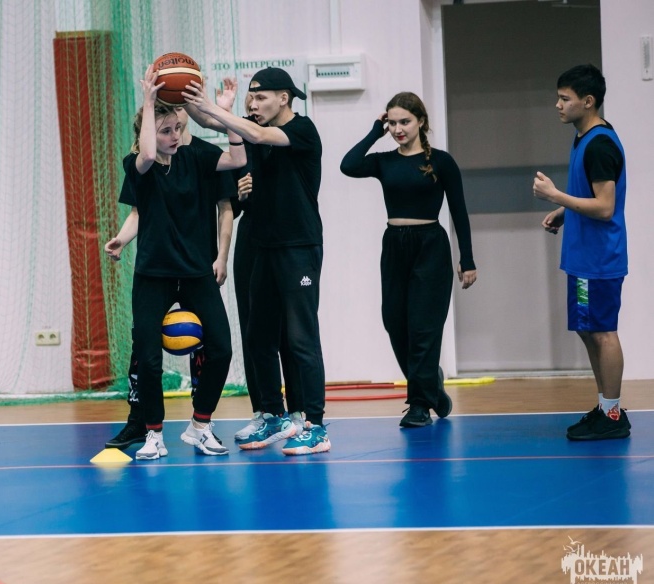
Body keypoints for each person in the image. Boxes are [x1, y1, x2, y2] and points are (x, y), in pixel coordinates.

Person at [183, 67, 329, 455]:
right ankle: (272, 415)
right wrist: (188, 98)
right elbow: (210, 122)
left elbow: (259, 135)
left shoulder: (301, 129)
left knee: (301, 337)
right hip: (262, 247)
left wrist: (213, 107)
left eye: (261, 97)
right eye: (251, 97)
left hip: (298, 246)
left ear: (284, 98)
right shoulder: (252, 129)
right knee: (258, 336)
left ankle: (315, 424)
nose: (254, 103)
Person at [103, 65, 246, 460]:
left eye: (178, 129)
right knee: (148, 358)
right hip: (154, 274)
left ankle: (200, 426)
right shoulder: (138, 164)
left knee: (221, 348)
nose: (175, 136)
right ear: (148, 133)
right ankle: (153, 434)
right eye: (166, 131)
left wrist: (223, 113)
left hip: (196, 271)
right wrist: (122, 240)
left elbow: (237, 157)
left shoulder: (196, 154)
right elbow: (141, 199)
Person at [340, 91, 477, 428]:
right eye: (392, 123)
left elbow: (459, 211)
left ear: (421, 122)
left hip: (430, 245)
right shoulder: (384, 160)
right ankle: (431, 387)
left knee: (423, 327)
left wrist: (468, 258)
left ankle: (419, 404)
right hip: (394, 246)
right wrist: (375, 132)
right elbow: (348, 165)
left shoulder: (441, 162)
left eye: (405, 121)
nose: (398, 129)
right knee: (394, 321)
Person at [532, 64, 630, 441]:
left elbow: (605, 207)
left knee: (603, 333)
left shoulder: (600, 144)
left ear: (588, 101)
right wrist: (565, 211)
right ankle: (606, 407)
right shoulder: (583, 138)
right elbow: (591, 195)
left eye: (565, 98)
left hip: (599, 260)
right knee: (589, 332)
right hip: (582, 260)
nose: (558, 105)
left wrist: (556, 196)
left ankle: (613, 414)